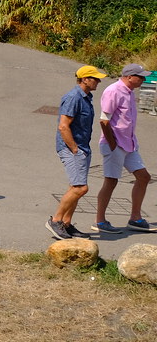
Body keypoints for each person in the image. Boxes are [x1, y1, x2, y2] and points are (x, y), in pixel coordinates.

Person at [93, 63, 154, 233]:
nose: (143, 79)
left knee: (143, 177)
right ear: (129, 77)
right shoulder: (114, 91)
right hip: (115, 144)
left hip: (129, 144)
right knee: (111, 181)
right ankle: (100, 221)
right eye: (140, 76)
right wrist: (112, 143)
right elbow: (104, 120)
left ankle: (135, 218)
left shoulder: (129, 92)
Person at [47, 65, 106, 240]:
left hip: (81, 148)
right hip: (72, 148)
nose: (98, 81)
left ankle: (66, 223)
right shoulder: (74, 97)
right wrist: (74, 149)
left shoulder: (86, 97)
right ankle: (55, 220)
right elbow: (63, 126)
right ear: (85, 79)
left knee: (75, 187)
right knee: (81, 188)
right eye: (95, 78)